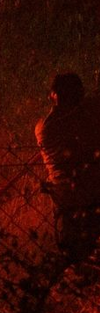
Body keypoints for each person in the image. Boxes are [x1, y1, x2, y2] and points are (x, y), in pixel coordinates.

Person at [35, 71, 100, 260]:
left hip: (67, 205)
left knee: (75, 260)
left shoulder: (43, 127)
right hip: (91, 201)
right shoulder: (87, 118)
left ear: (52, 95)